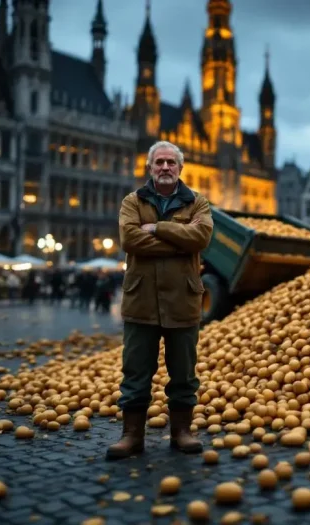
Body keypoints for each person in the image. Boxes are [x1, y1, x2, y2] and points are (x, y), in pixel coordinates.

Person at [107, 140, 213, 460]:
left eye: (171, 162)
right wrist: (180, 241)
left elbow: (202, 237)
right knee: (136, 371)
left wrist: (157, 229)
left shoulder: (198, 202)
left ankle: (181, 431)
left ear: (180, 168)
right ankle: (132, 435)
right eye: (159, 163)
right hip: (141, 301)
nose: (165, 167)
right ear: (149, 168)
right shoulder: (132, 201)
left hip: (183, 300)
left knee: (183, 373)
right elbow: (130, 239)